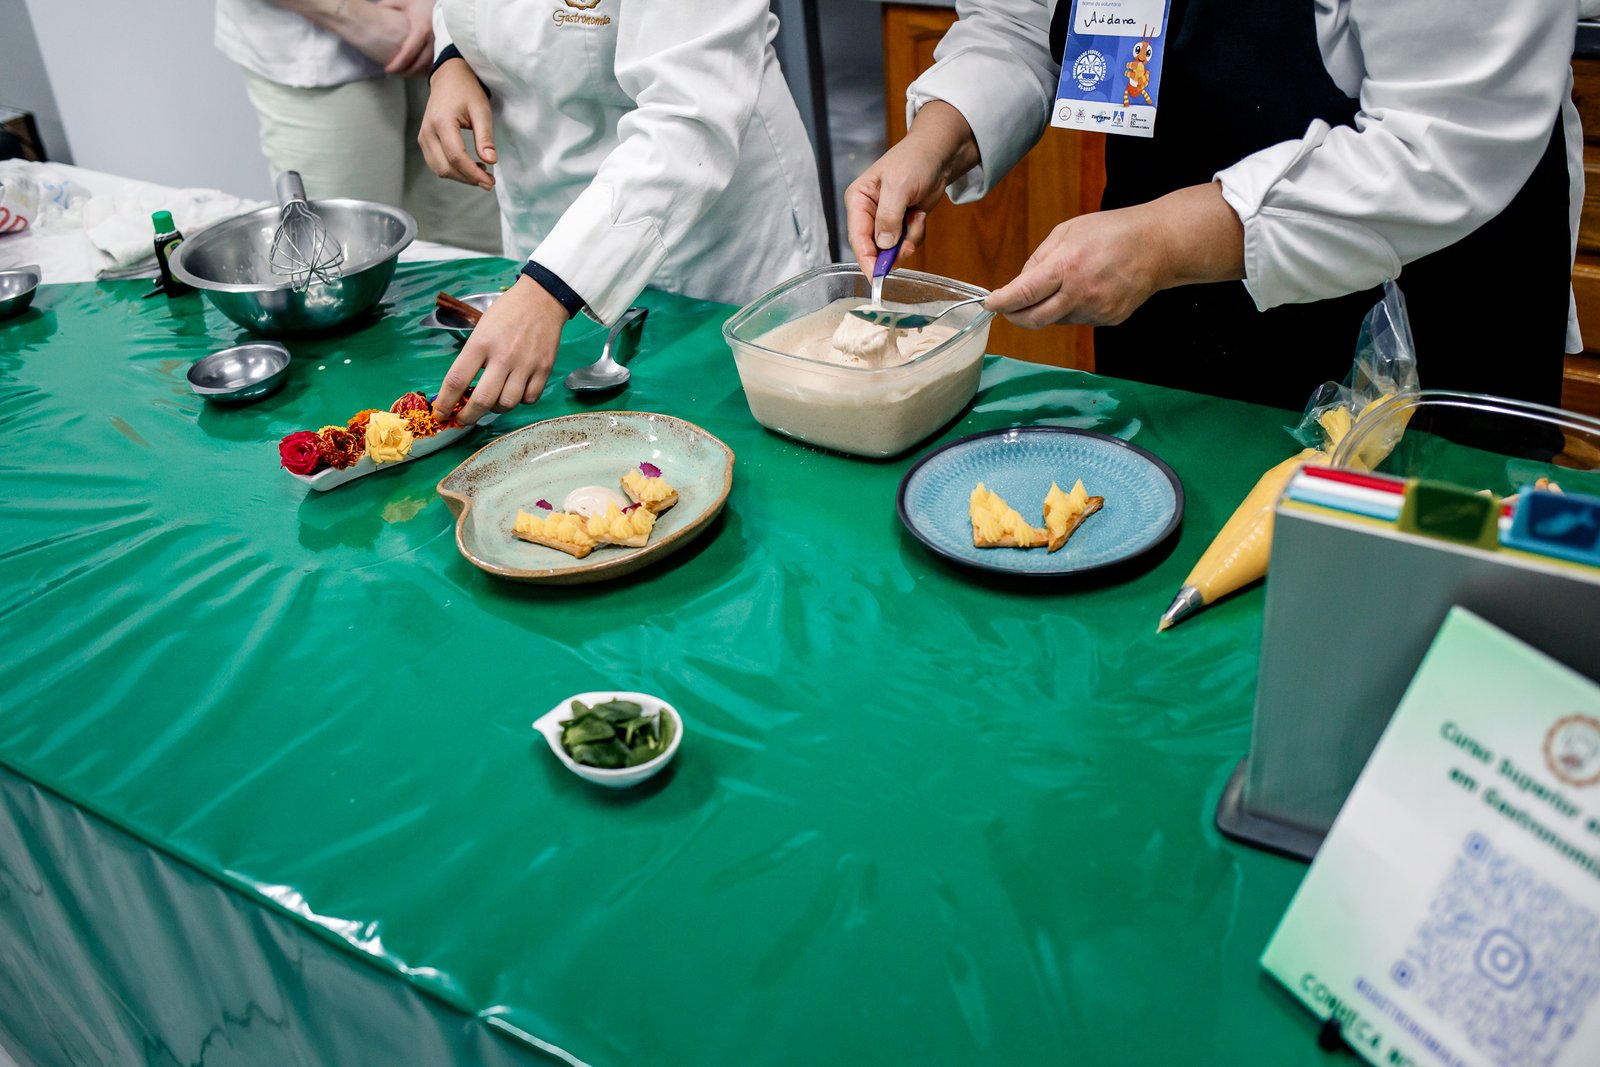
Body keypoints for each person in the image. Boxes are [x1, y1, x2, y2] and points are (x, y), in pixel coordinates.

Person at [847, 0, 1595, 410]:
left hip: (1422, 300)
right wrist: (938, 137)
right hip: (1168, 306)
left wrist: (1166, 240)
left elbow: (1443, 141)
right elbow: (1027, 19)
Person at [419, 0, 828, 426]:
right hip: (545, 229)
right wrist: (453, 58)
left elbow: (687, 116)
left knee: (732, 432)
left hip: (702, 223)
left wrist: (549, 289)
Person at [215, 0, 501, 255]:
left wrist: (441, 8)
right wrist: (347, 12)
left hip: (453, 34)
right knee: (346, 257)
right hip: (316, 47)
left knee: (471, 250)